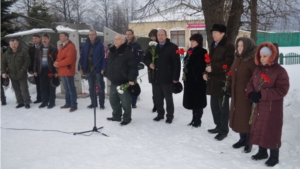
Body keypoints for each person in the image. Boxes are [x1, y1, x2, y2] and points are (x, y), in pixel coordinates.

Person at [246, 42, 289, 167]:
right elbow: (250, 82)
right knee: (259, 127)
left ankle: (274, 156)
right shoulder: (258, 69)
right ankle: (262, 152)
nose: (262, 58)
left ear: (272, 56)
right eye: (260, 56)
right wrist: (251, 93)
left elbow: (282, 90)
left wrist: (262, 94)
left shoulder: (280, 71)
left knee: (271, 130)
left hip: (272, 108)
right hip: (258, 106)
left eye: (265, 56)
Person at [203, 24, 235, 140]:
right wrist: (206, 73)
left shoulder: (229, 46)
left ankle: (224, 130)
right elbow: (209, 61)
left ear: (223, 33)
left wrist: (214, 68)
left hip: (222, 81)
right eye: (212, 32)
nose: (213, 34)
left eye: (216, 32)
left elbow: (229, 62)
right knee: (214, 107)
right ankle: (218, 126)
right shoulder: (213, 45)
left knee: (223, 107)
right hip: (213, 81)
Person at [144, 29, 181, 124]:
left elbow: (177, 64)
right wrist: (149, 64)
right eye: (158, 35)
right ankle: (160, 114)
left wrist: (175, 78)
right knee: (157, 97)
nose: (160, 36)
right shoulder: (153, 46)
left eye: (162, 35)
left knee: (168, 98)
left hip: (167, 77)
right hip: (155, 77)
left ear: (166, 36)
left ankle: (169, 116)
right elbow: (145, 57)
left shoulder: (172, 47)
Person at [228, 37, 257, 153]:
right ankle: (242, 139)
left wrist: (252, 92)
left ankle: (249, 142)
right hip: (236, 94)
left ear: (248, 46)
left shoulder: (252, 60)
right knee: (239, 117)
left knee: (247, 118)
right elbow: (231, 74)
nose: (240, 48)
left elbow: (255, 79)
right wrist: (228, 87)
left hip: (246, 95)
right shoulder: (237, 59)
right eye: (238, 46)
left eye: (242, 46)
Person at [105, 34, 137, 125]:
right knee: (113, 100)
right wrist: (107, 73)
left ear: (123, 41)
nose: (115, 41)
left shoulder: (127, 51)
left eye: (118, 39)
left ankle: (127, 118)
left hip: (123, 82)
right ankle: (116, 115)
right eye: (114, 39)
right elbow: (109, 63)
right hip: (114, 81)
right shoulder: (112, 51)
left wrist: (131, 79)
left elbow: (133, 67)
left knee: (125, 102)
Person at [183, 33, 207, 128]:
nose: (192, 43)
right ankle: (193, 119)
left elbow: (201, 66)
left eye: (194, 41)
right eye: (191, 41)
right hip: (189, 80)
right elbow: (186, 61)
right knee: (193, 101)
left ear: (199, 42)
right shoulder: (190, 50)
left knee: (198, 102)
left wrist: (190, 70)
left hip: (198, 81)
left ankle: (198, 120)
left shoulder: (202, 51)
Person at [79, 30, 106, 110]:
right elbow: (82, 56)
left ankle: (101, 104)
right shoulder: (85, 44)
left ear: (96, 35)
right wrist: (80, 67)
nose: (91, 36)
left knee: (101, 87)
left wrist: (103, 68)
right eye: (90, 35)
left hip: (98, 69)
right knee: (91, 87)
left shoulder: (101, 44)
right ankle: (93, 103)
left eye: (93, 34)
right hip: (88, 69)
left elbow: (104, 57)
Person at [1, 39, 31, 109]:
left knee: (24, 89)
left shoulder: (23, 52)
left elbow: (28, 61)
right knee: (16, 89)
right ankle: (20, 102)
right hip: (12, 74)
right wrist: (4, 72)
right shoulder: (7, 53)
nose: (13, 45)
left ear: (18, 44)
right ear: (10, 45)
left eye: (14, 44)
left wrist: (23, 69)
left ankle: (27, 102)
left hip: (22, 74)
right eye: (12, 44)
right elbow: (3, 63)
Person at [54, 32, 78, 112]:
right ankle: (68, 103)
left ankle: (74, 104)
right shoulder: (61, 47)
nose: (60, 37)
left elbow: (69, 59)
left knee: (71, 88)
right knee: (66, 89)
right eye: (59, 36)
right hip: (62, 71)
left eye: (61, 36)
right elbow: (59, 57)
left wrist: (59, 64)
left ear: (66, 37)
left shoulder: (71, 46)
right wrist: (56, 62)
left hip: (68, 70)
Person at [34, 33, 58, 109]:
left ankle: (52, 102)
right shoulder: (39, 49)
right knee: (43, 86)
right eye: (43, 38)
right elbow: (36, 60)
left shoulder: (53, 49)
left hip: (50, 70)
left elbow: (56, 60)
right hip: (41, 70)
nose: (44, 40)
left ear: (49, 40)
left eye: (46, 39)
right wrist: (35, 70)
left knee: (51, 86)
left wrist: (56, 71)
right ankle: (44, 101)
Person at [125, 29, 143, 108]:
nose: (128, 36)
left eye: (129, 34)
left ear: (132, 35)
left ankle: (133, 102)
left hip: (133, 69)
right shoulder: (124, 44)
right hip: (124, 69)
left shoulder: (137, 45)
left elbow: (139, 57)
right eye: (126, 34)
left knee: (133, 85)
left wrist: (131, 63)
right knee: (125, 85)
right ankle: (126, 101)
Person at [145, 29, 158, 113]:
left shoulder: (160, 45)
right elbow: (146, 58)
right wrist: (149, 63)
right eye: (151, 36)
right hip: (152, 71)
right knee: (155, 90)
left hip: (161, 71)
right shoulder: (149, 46)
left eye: (154, 36)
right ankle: (155, 105)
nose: (153, 38)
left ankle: (161, 104)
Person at [28, 34, 42, 104]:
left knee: (44, 83)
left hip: (43, 68)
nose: (34, 40)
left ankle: (45, 97)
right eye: (33, 39)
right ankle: (39, 98)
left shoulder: (43, 46)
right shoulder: (31, 48)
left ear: (39, 39)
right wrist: (30, 69)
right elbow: (29, 59)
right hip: (35, 69)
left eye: (36, 38)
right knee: (38, 84)